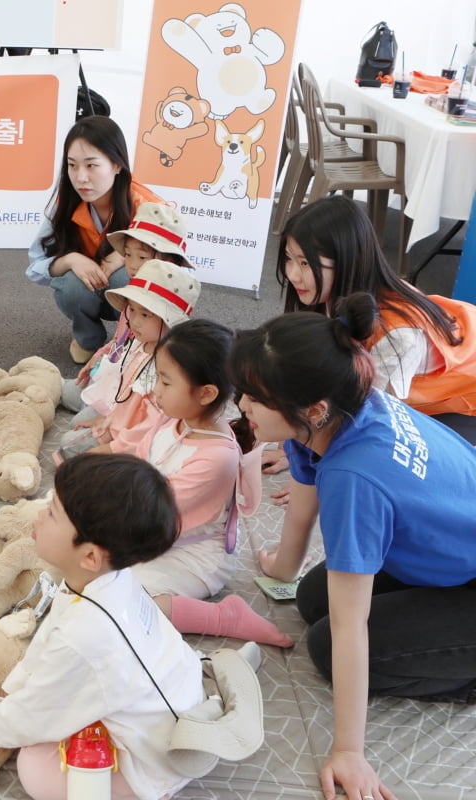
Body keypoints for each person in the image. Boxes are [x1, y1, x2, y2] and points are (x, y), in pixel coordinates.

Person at [233, 292, 476, 800]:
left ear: (311, 409)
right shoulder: (341, 407)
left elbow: (349, 628)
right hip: (455, 543)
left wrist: (349, 751)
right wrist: (280, 568)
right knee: (310, 597)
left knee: (328, 644)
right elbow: (302, 506)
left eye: (255, 397)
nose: (241, 406)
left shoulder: (353, 476)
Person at [0, 453, 207, 800]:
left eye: (53, 512)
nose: (40, 514)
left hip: (158, 757)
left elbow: (32, 718)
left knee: (37, 768)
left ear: (89, 555)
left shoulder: (86, 638)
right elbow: (47, 648)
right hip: (175, 704)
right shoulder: (110, 579)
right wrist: (9, 692)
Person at [114, 319, 292, 648]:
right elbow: (134, 465)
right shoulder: (173, 420)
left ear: (206, 393)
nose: (156, 391)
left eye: (166, 382)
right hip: (155, 535)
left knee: (116, 605)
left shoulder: (217, 457)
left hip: (193, 555)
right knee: (83, 569)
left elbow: (152, 511)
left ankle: (225, 617)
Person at [277, 194, 476, 443]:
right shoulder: (342, 294)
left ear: (347, 260)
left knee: (399, 456)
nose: (293, 274)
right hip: (433, 386)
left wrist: (300, 450)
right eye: (288, 259)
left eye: (305, 263)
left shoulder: (396, 333)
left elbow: (376, 418)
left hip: (465, 406)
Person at [26, 116, 164, 364]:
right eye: (72, 165)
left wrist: (125, 255)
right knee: (70, 284)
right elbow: (35, 268)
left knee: (127, 275)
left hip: (133, 298)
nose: (80, 177)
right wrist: (71, 260)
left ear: (117, 165)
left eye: (91, 165)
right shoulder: (64, 205)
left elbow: (173, 271)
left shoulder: (149, 207)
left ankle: (136, 341)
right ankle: (88, 338)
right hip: (89, 291)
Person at [55, 260, 200, 458]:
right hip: (118, 416)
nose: (135, 321)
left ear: (170, 321)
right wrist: (106, 418)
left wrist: (112, 445)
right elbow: (125, 396)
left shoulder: (167, 367)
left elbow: (151, 425)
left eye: (146, 314)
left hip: (135, 439)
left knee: (68, 446)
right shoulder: (140, 343)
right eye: (132, 310)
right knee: (73, 428)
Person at [61, 201, 192, 414]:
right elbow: (119, 340)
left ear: (170, 262)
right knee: (68, 391)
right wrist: (100, 357)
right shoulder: (134, 293)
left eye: (142, 257)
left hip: (139, 395)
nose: (131, 265)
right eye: (128, 255)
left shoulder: (168, 310)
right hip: (117, 373)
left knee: (79, 428)